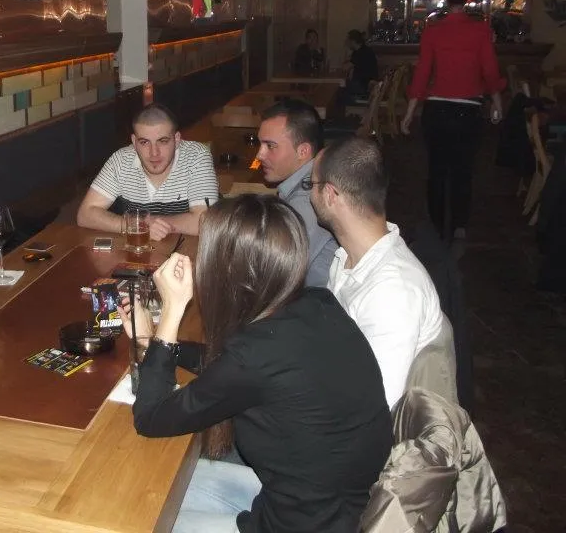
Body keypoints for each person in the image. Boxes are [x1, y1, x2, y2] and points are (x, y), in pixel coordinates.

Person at [121, 195, 392, 533]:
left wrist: (172, 312)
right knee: (141, 489)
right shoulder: (316, 304)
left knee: (130, 519)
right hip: (321, 505)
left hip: (304, 525)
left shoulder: (255, 356)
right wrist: (156, 342)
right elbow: (229, 368)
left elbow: (150, 417)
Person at [309, 137, 445, 408]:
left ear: (330, 195)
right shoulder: (348, 257)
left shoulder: (392, 292)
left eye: (310, 185)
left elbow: (378, 409)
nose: (309, 195)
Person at [402, 0, 505, 244]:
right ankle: (459, 225)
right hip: (468, 111)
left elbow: (422, 74)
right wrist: (497, 103)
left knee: (436, 170)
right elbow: (490, 71)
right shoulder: (480, 30)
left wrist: (409, 112)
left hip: (436, 110)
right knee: (463, 170)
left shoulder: (433, 30)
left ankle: (437, 226)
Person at [76, 104, 218, 240]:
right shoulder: (121, 160)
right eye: (144, 142)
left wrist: (148, 223)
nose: (154, 153)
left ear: (177, 139)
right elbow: (85, 214)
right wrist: (138, 225)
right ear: (134, 141)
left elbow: (206, 223)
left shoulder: (197, 156)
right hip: (137, 251)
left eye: (163, 141)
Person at [256, 100, 337, 286]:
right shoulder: (313, 179)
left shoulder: (309, 200)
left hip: (314, 299)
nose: (259, 155)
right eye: (260, 144)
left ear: (303, 151)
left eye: (270, 146)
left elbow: (273, 275)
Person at [344, 29, 379, 99]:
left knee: (340, 91)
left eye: (348, 41)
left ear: (353, 41)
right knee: (342, 87)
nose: (347, 43)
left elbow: (345, 68)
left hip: (364, 86)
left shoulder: (361, 52)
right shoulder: (362, 50)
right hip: (363, 84)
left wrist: (346, 52)